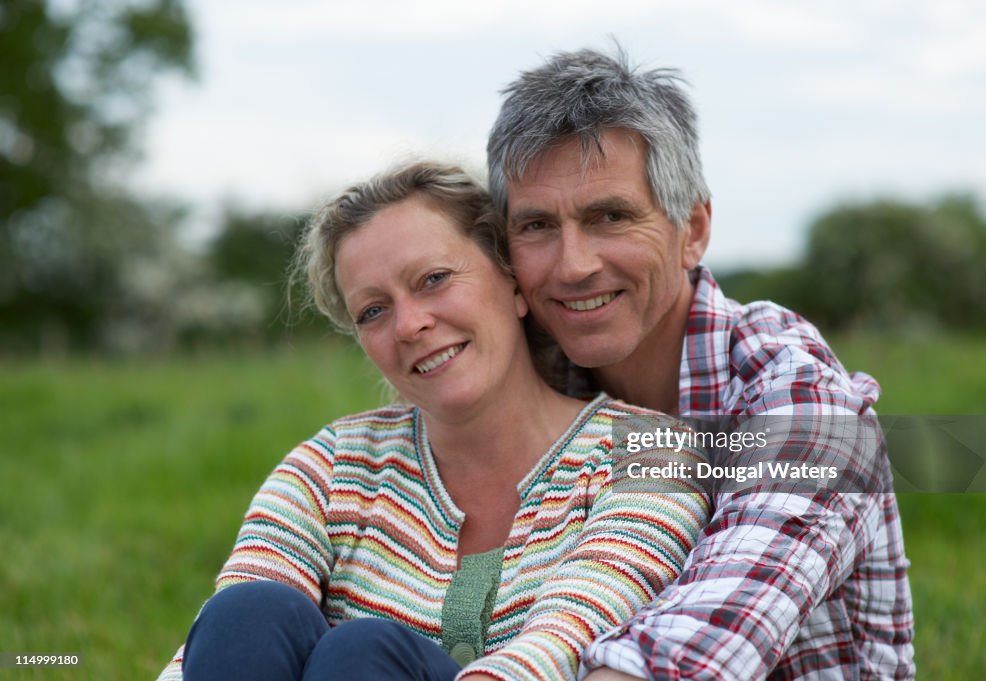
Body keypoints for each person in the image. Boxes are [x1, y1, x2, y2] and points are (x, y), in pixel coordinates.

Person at [156, 161, 710, 681]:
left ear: (513, 283)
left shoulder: (650, 454)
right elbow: (210, 650)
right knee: (248, 611)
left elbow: (562, 643)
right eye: (373, 311)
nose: (409, 325)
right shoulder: (331, 466)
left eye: (434, 279)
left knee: (364, 654)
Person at [486, 47, 915, 680]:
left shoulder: (796, 388)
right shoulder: (537, 379)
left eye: (610, 216)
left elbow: (706, 641)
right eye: (537, 226)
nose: (572, 265)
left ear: (693, 228)